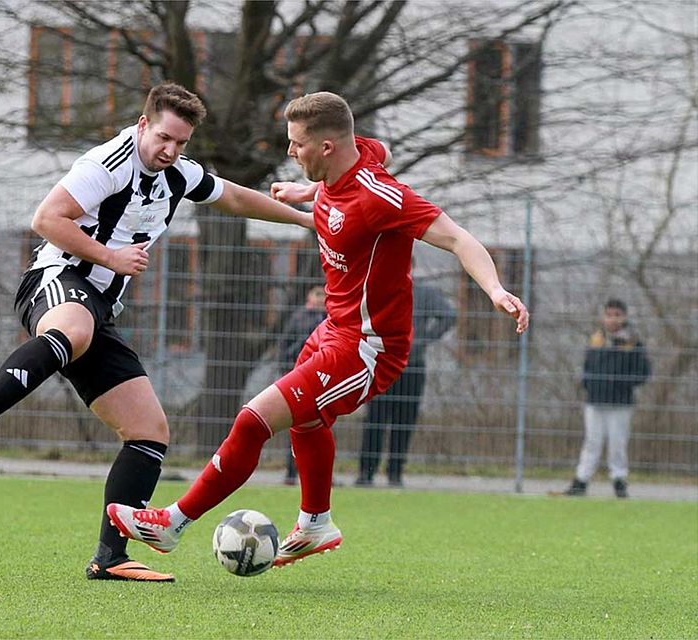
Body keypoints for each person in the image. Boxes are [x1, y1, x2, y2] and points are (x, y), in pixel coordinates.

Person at [107, 91, 529, 570]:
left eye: (298, 145)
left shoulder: (379, 198)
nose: (290, 153)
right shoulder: (352, 156)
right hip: (333, 329)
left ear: (327, 146)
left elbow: (456, 237)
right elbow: (376, 152)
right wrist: (308, 192)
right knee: (307, 419)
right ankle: (315, 523)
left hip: (368, 349)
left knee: (253, 419)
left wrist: (495, 289)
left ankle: (171, 525)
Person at [0, 83, 313, 582]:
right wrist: (112, 257)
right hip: (55, 281)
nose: (171, 150)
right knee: (73, 327)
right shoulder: (105, 164)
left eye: (181, 143)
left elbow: (237, 199)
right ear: (142, 125)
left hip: (98, 313)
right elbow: (47, 218)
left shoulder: (178, 174)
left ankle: (110, 557)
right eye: (163, 138)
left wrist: (308, 220)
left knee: (148, 433)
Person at [357, 278, 455, 487]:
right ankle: (380, 473)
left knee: (392, 420)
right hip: (387, 363)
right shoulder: (381, 289)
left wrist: (421, 341)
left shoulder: (418, 293)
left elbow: (449, 316)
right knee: (383, 420)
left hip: (399, 363)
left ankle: (380, 473)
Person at [564, 298, 650, 498]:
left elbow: (643, 372)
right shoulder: (597, 340)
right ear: (603, 317)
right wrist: (589, 385)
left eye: (617, 315)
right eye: (609, 315)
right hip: (595, 401)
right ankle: (581, 480)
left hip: (620, 403)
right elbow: (587, 367)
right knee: (592, 442)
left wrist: (622, 384)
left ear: (625, 317)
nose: (612, 320)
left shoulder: (632, 342)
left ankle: (619, 480)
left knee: (617, 443)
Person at [276, 286, 327, 484]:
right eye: (317, 294)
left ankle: (320, 477)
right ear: (309, 297)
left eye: (323, 295)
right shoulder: (298, 318)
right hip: (298, 378)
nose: (321, 298)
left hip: (320, 380)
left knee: (320, 427)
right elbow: (285, 347)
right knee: (297, 426)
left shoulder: (329, 319)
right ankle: (291, 472)